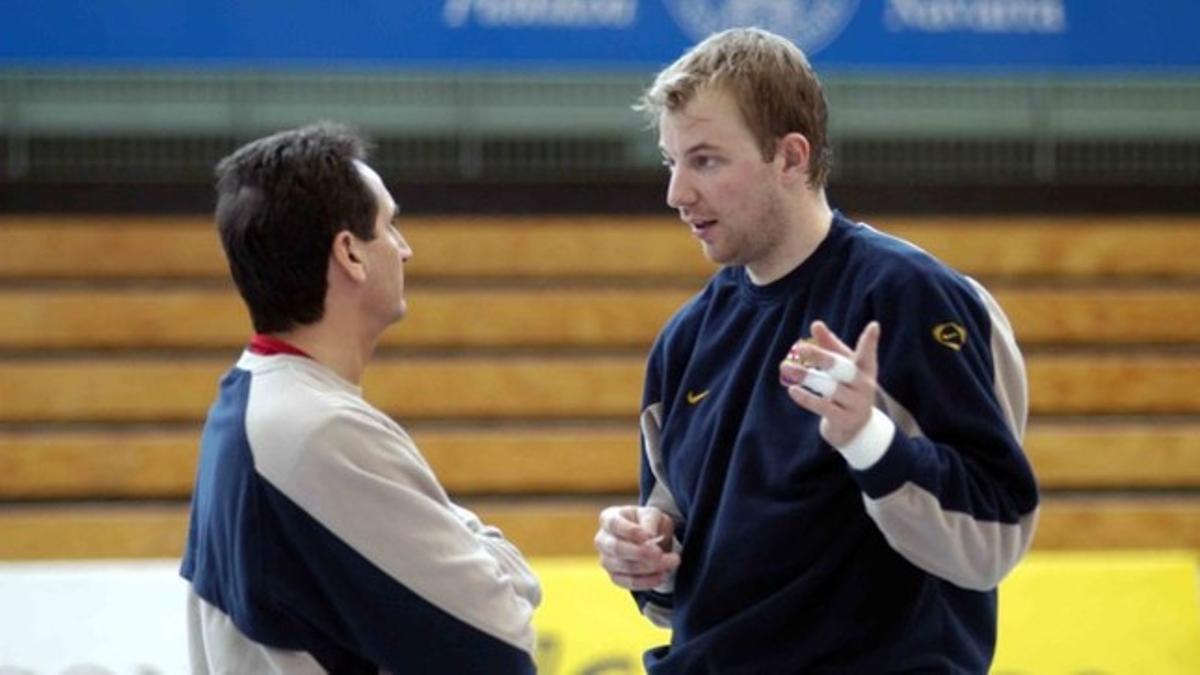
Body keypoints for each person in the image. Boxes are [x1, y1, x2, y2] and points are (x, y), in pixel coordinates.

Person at [593, 28, 1039, 673]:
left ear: (791, 157)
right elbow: (676, 572)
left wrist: (869, 441)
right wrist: (648, 559)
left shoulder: (913, 298)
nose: (677, 193)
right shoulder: (684, 340)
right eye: (671, 162)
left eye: (706, 160)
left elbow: (993, 538)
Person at [180, 123, 540, 674]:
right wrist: (503, 566)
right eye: (390, 226)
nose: (406, 249)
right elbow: (501, 643)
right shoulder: (319, 431)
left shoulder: (253, 398)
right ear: (349, 253)